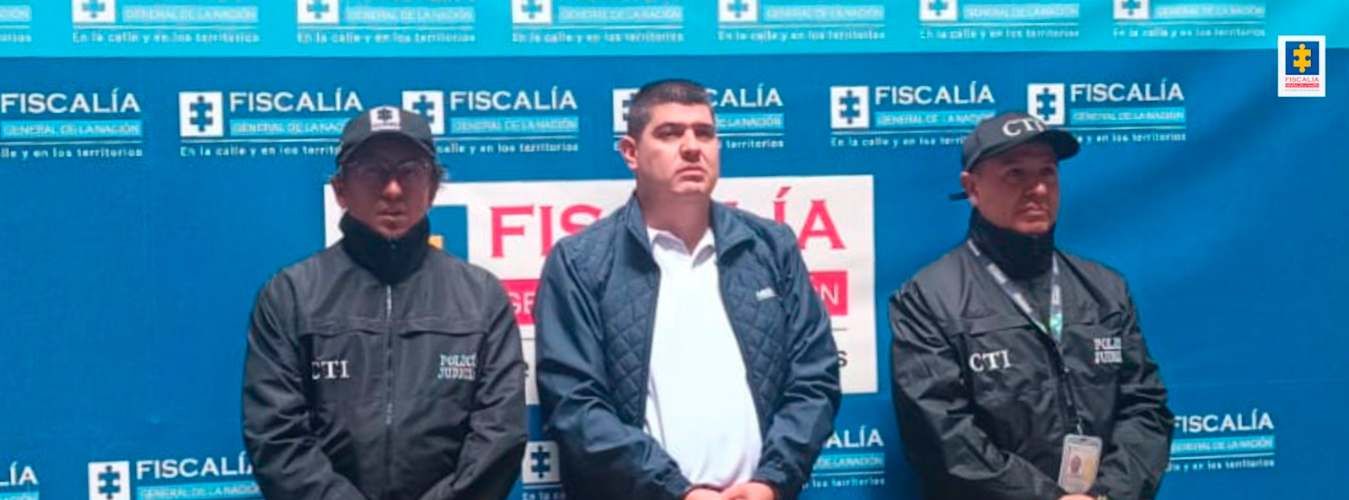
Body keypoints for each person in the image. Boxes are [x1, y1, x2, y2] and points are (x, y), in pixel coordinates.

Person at [533, 79, 841, 500]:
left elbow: (815, 379)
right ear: (630, 152)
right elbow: (575, 405)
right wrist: (677, 491)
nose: (692, 147)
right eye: (669, 133)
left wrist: (772, 481)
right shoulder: (580, 261)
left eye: (705, 133)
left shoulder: (771, 247)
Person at [242, 106, 526, 500]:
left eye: (410, 171)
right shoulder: (290, 296)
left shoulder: (482, 297)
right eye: (371, 170)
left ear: (433, 187)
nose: (392, 189)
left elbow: (501, 435)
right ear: (340, 189)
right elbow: (277, 439)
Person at [888, 111, 1174, 500]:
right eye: (1015, 174)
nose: (1037, 188)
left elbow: (1146, 409)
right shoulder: (927, 299)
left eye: (1047, 173)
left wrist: (1108, 494)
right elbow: (941, 438)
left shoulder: (1106, 290)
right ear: (972, 187)